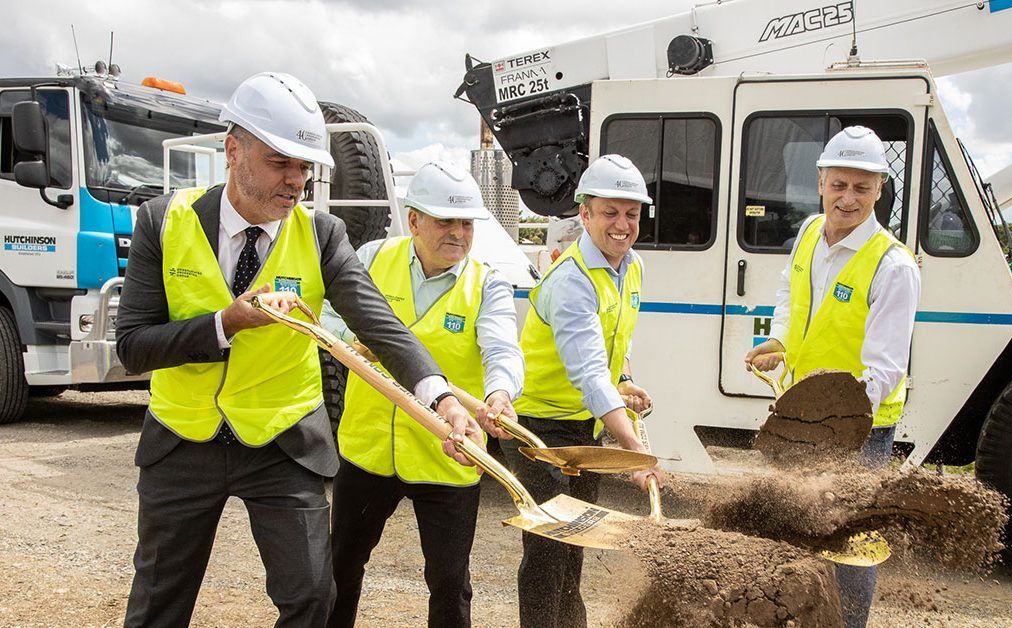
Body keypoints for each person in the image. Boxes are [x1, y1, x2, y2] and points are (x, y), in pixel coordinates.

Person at [116, 72, 478, 626]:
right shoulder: (163, 222)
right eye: (280, 162)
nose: (297, 182)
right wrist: (226, 323)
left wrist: (442, 399)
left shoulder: (321, 233)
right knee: (160, 603)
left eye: (306, 167)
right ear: (232, 150)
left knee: (312, 597)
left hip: (283, 443)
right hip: (182, 442)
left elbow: (380, 325)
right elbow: (134, 348)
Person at [321, 161, 523, 627]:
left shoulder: (487, 283)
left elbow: (502, 346)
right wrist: (348, 338)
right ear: (413, 221)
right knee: (341, 567)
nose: (458, 233)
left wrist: (499, 393)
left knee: (450, 585)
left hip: (447, 454)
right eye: (444, 221)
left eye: (466, 223)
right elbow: (326, 313)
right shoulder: (372, 258)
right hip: (369, 450)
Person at [745, 125, 921, 628]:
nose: (848, 198)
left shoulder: (893, 266)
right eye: (838, 184)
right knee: (797, 534)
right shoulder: (807, 234)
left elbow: (885, 369)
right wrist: (779, 340)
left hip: (859, 431)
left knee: (846, 546)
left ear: (879, 190)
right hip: (805, 421)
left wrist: (832, 420)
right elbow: (790, 292)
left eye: (861, 188)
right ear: (820, 181)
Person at [503, 154, 666, 628]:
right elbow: (590, 374)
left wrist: (626, 378)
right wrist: (634, 451)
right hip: (536, 428)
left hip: (582, 426)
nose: (622, 224)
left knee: (576, 544)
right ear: (585, 213)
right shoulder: (571, 280)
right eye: (609, 212)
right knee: (549, 549)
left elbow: (616, 343)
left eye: (631, 214)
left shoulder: (631, 267)